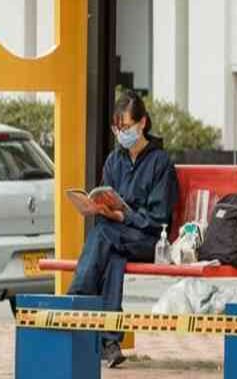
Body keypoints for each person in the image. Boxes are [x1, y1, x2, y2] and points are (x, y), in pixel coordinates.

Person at [69, 90, 179, 368]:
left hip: (150, 240)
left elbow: (158, 219)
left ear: (143, 123)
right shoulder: (113, 160)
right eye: (117, 129)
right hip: (118, 239)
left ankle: (74, 302)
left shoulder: (161, 163)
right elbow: (107, 202)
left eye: (126, 127)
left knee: (104, 236)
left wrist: (121, 216)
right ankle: (110, 342)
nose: (122, 134)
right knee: (113, 258)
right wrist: (99, 209)